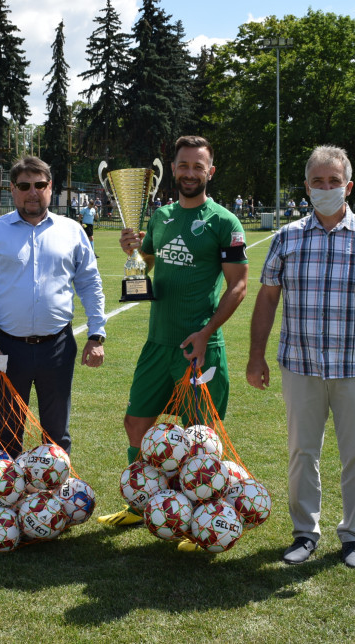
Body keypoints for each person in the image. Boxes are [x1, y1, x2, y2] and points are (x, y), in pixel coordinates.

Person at [247, 145, 355, 570]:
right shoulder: (288, 236)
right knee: (302, 452)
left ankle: (354, 537)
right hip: (300, 365)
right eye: (317, 181)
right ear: (306, 187)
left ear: (348, 186)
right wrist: (256, 356)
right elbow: (266, 299)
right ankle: (305, 532)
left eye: (333, 181)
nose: (325, 188)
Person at [96, 135, 249, 544]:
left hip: (199, 347)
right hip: (157, 343)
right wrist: (133, 251)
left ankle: (202, 518)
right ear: (174, 168)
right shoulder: (161, 217)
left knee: (201, 440)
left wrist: (206, 333)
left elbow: (238, 287)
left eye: (198, 167)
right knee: (136, 424)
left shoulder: (224, 222)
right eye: (183, 165)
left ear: (210, 172)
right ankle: (139, 505)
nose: (189, 173)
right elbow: (145, 264)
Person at [0, 155, 106, 458]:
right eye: (24, 185)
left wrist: (97, 334)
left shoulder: (71, 231)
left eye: (40, 185)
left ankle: (53, 502)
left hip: (57, 346)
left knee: (56, 434)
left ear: (50, 188)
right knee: (6, 433)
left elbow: (90, 283)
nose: (33, 192)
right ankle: (6, 502)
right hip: (6, 348)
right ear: (13, 190)